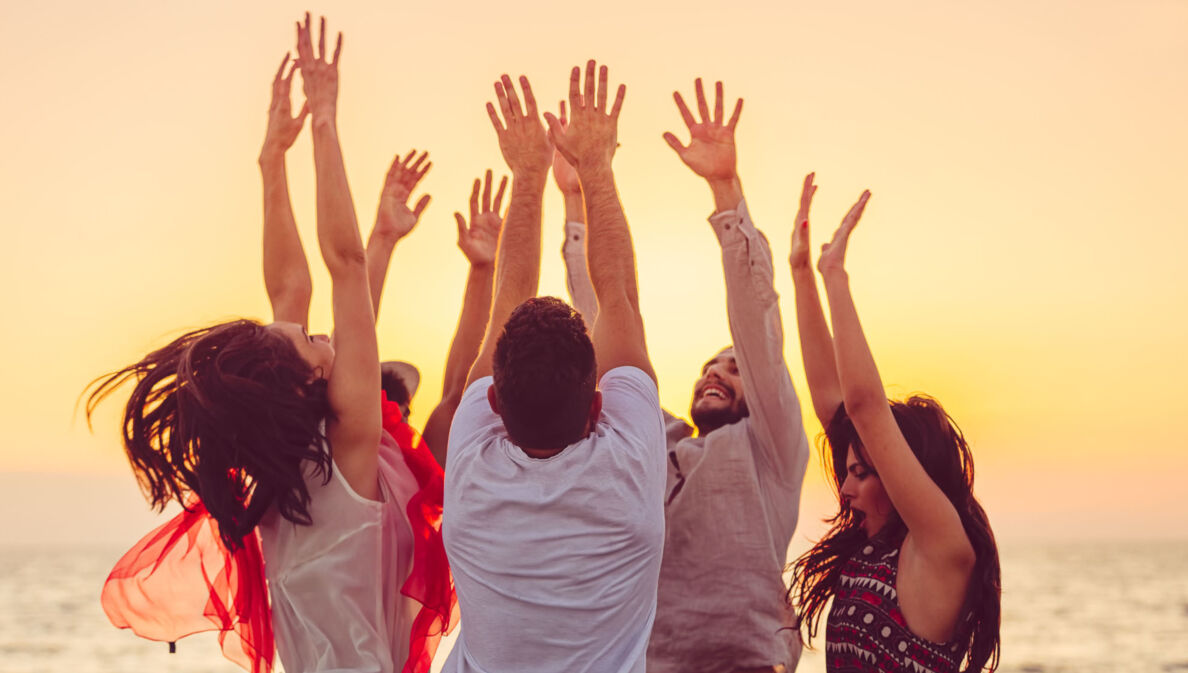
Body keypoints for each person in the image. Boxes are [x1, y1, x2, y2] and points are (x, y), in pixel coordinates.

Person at [86, 16, 454, 672]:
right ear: (310, 380)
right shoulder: (347, 447)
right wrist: (325, 121)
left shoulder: (283, 478)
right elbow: (340, 268)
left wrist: (270, 164)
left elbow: (292, 287)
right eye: (311, 338)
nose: (317, 330)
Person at [555, 78, 811, 673]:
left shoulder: (769, 449)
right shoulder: (659, 443)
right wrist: (578, 199)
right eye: (707, 367)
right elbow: (606, 326)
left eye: (732, 367)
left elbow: (759, 327)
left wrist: (725, 190)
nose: (714, 373)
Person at [441, 61, 666, 673]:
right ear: (597, 403)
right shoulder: (630, 467)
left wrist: (528, 175)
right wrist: (594, 167)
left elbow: (507, 291)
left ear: (493, 403)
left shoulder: (469, 466)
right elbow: (616, 295)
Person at [785, 175, 1001, 672]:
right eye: (849, 470)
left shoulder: (942, 547)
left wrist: (835, 275)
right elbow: (831, 399)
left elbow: (865, 408)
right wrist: (801, 273)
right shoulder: (877, 549)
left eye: (863, 472)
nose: (844, 487)